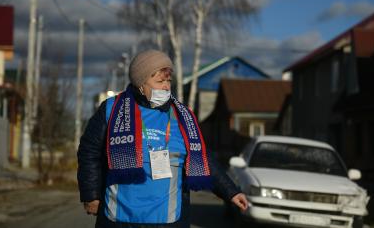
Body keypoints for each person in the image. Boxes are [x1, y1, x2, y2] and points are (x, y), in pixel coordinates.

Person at [77, 49, 248, 228]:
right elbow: (89, 152)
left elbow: (202, 158)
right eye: (160, 81)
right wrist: (91, 195)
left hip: (168, 220)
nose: (166, 86)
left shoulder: (183, 116)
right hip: (119, 218)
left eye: (168, 81)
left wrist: (231, 192)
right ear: (140, 83)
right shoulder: (112, 109)